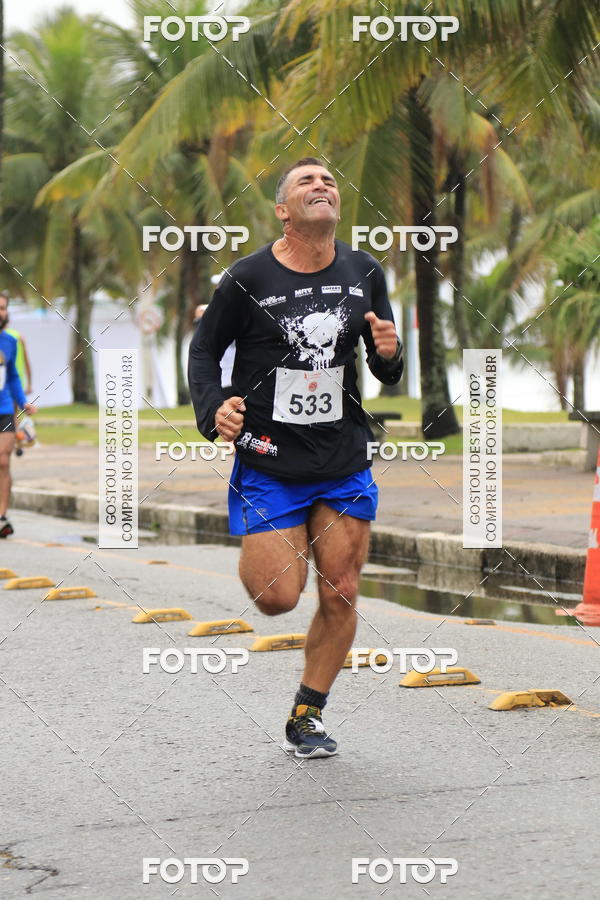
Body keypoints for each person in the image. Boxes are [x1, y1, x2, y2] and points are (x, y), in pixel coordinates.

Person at [188, 158, 403, 758]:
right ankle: (282, 540)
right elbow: (204, 352)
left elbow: (385, 367)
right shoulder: (246, 277)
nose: (322, 185)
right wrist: (214, 411)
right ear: (283, 210)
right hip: (270, 457)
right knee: (277, 597)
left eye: (329, 180)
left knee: (341, 590)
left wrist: (389, 354)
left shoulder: (365, 271)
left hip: (342, 456)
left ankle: (307, 715)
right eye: (306, 181)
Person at [0, 293, 37, 537]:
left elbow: (12, 376)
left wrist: (23, 402)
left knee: (3, 461)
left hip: (4, 409)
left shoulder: (9, 341)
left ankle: (2, 517)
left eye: (2, 308)